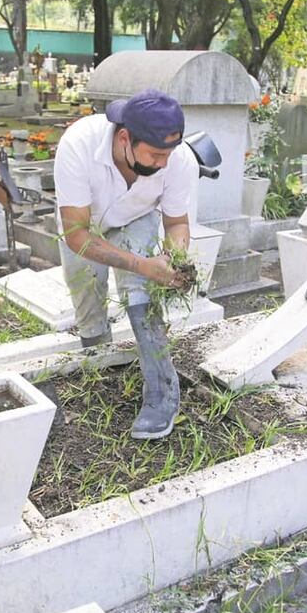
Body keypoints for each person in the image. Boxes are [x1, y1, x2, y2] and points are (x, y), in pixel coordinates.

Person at [54, 89, 196, 440]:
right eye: (156, 154)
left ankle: (162, 394)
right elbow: (77, 236)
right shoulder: (78, 146)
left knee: (140, 295)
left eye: (170, 153)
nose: (164, 163)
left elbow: (177, 223)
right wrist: (140, 263)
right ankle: (100, 363)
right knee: (87, 296)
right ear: (124, 138)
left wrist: (170, 260)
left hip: (136, 218)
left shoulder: (179, 161)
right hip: (85, 226)